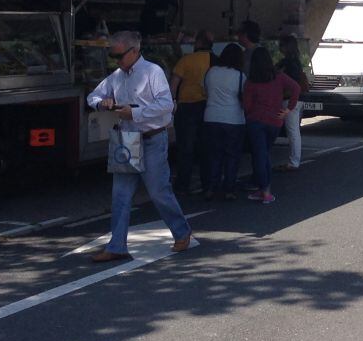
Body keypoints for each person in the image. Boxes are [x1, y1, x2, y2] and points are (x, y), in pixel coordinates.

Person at [86, 31, 193, 261]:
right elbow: (92, 96)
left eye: (119, 55)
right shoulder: (116, 76)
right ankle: (116, 246)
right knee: (121, 195)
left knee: (158, 191)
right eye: (114, 56)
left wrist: (134, 113)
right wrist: (102, 103)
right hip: (127, 140)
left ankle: (182, 231)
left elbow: (165, 105)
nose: (117, 61)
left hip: (152, 137)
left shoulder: (152, 72)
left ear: (134, 51)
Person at [243, 48, 301, 205]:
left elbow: (247, 105)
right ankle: (265, 190)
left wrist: (250, 114)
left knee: (259, 155)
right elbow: (296, 87)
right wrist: (289, 108)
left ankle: (264, 190)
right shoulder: (279, 77)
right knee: (266, 153)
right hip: (275, 121)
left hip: (256, 121)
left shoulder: (251, 82)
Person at [170, 31, 213, 192]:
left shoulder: (186, 60)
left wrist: (171, 103)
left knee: (185, 147)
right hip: (207, 106)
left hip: (187, 106)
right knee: (205, 147)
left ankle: (183, 183)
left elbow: (174, 84)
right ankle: (207, 182)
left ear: (198, 44)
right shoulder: (215, 60)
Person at [203, 43, 247, 200]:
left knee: (214, 154)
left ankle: (210, 187)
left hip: (211, 117)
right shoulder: (240, 76)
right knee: (232, 155)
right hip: (233, 119)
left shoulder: (211, 72)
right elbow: (243, 98)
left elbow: (206, 91)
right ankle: (229, 188)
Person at [275, 35, 309, 173]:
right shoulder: (297, 61)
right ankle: (294, 160)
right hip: (298, 98)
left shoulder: (286, 63)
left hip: (290, 99)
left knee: (292, 131)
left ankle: (294, 161)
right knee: (294, 130)